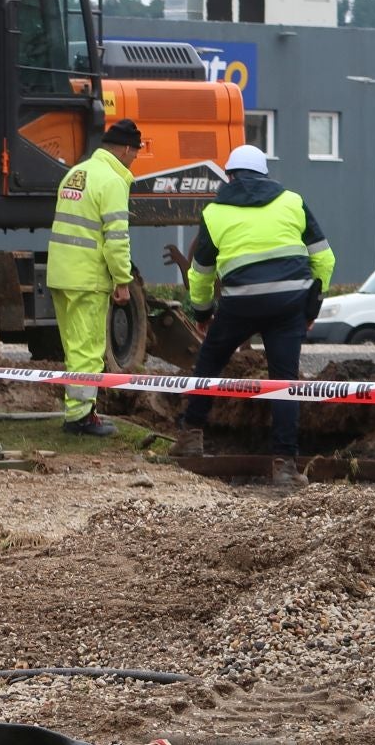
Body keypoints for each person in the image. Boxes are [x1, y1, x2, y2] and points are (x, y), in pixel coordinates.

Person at [173, 145, 334, 486]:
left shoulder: (215, 213)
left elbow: (200, 274)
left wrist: (202, 311)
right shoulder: (293, 201)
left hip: (240, 304)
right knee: (283, 382)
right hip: (289, 304)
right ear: (265, 175)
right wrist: (311, 307)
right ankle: (285, 467)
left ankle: (190, 438)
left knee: (209, 364)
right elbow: (325, 260)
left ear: (229, 176)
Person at [46, 118, 142, 437]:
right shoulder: (112, 181)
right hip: (88, 277)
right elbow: (116, 239)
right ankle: (81, 418)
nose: (135, 159)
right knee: (88, 348)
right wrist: (122, 280)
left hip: (62, 273)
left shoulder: (77, 173)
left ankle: (79, 412)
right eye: (136, 153)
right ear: (126, 149)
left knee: (74, 346)